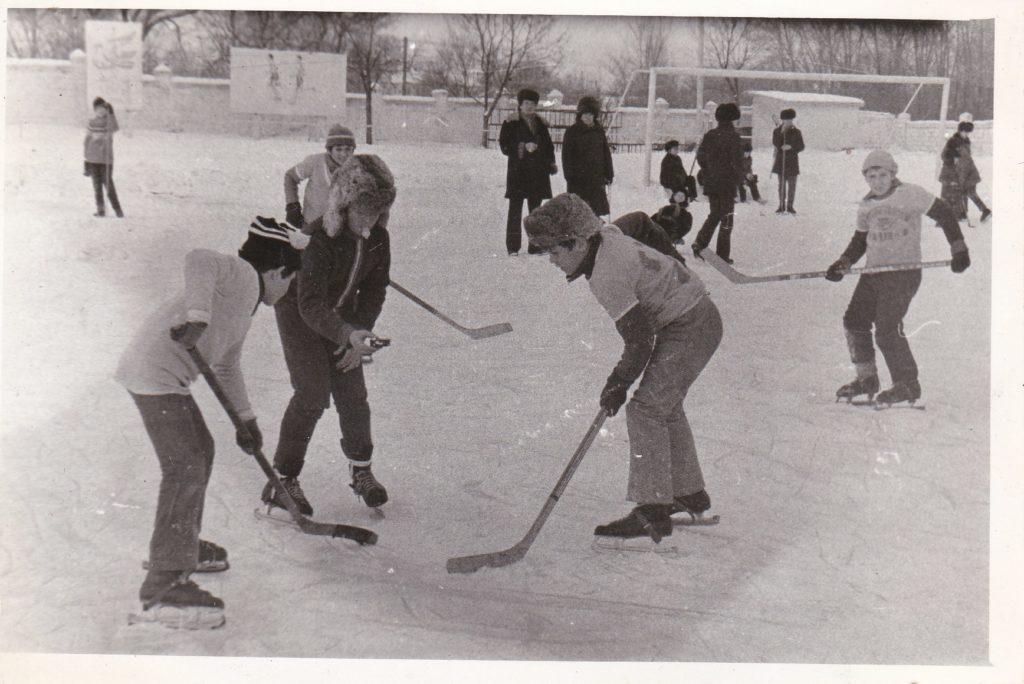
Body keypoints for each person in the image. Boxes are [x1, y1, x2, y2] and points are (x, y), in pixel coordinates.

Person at [115, 218, 302, 629]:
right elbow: (199, 258)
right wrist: (198, 316)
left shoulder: (244, 302)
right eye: (292, 280)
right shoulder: (242, 276)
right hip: (154, 374)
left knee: (201, 453)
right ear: (278, 272)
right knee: (185, 466)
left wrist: (246, 420)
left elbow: (226, 364)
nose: (289, 290)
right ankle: (163, 585)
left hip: (161, 375)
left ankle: (180, 542)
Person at [524, 194, 722, 545]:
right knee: (664, 407)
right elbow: (642, 221)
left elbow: (640, 339)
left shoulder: (606, 274)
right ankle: (688, 493)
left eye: (555, 252)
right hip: (697, 317)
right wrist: (677, 265)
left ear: (579, 242)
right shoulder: (609, 233)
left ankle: (652, 511)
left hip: (689, 327)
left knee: (646, 409)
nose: (552, 261)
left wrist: (618, 383)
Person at [261, 154, 396, 518]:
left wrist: (359, 333)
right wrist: (346, 334)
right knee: (313, 392)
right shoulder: (318, 239)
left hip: (342, 318)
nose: (369, 221)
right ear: (344, 204)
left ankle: (361, 470)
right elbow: (309, 304)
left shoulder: (378, 238)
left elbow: (374, 291)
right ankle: (283, 479)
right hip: (299, 314)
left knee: (353, 393)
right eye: (363, 211)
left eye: (377, 211)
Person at [827, 150, 971, 406]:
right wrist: (843, 263)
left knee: (886, 329)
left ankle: (907, 385)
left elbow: (945, 213)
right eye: (872, 176)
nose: (878, 181)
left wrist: (958, 248)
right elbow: (860, 241)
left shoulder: (911, 194)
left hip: (903, 274)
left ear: (893, 174)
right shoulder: (866, 205)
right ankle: (867, 379)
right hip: (873, 274)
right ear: (866, 179)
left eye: (883, 174)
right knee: (854, 321)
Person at [499, 88, 557, 255]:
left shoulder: (541, 123)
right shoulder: (511, 122)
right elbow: (504, 146)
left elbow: (549, 146)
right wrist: (523, 146)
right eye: (526, 103)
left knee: (536, 212)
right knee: (515, 211)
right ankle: (513, 247)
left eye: (533, 104)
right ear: (520, 105)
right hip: (518, 173)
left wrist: (551, 163)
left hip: (538, 173)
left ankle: (535, 246)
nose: (530, 107)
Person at [691, 102, 745, 265]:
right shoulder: (734, 137)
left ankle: (699, 243)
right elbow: (737, 162)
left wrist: (709, 171)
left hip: (712, 182)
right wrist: (739, 178)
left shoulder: (710, 135)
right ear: (732, 119)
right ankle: (722, 255)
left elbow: (700, 156)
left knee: (715, 214)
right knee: (727, 218)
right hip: (727, 183)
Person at [283, 124, 358, 230]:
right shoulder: (314, 162)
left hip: (341, 229)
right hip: (312, 226)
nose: (344, 154)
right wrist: (292, 206)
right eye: (338, 149)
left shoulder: (357, 168)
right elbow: (290, 176)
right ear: (329, 150)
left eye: (348, 149)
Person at [561, 96, 614, 219]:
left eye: (591, 114)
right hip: (578, 180)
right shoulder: (572, 132)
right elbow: (566, 157)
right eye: (585, 114)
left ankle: (596, 236)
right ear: (580, 115)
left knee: (595, 212)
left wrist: (609, 173)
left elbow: (606, 153)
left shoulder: (599, 131)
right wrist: (570, 176)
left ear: (594, 115)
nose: (588, 117)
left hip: (596, 178)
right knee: (579, 213)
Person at [939, 121, 991, 223]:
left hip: (969, 174)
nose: (966, 134)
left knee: (969, 192)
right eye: (965, 132)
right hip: (967, 172)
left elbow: (964, 164)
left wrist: (961, 179)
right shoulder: (955, 143)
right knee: (963, 193)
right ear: (960, 131)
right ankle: (964, 214)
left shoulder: (961, 143)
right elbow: (944, 155)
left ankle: (985, 211)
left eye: (968, 132)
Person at [83, 96, 123, 218]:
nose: (101, 111)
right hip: (93, 159)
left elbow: (115, 128)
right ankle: (100, 210)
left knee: (109, 185)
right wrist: (86, 158)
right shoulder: (92, 122)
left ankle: (118, 210)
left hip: (106, 159)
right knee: (97, 186)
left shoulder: (109, 122)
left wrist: (111, 114)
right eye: (98, 109)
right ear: (95, 110)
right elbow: (87, 139)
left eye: (103, 109)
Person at [771, 108, 805, 214]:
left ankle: (790, 206)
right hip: (781, 162)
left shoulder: (797, 131)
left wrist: (791, 147)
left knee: (792, 186)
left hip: (792, 162)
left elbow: (801, 146)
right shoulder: (777, 131)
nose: (789, 122)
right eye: (787, 120)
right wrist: (781, 134)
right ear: (782, 120)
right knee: (781, 186)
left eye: (790, 120)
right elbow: (776, 143)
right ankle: (781, 206)